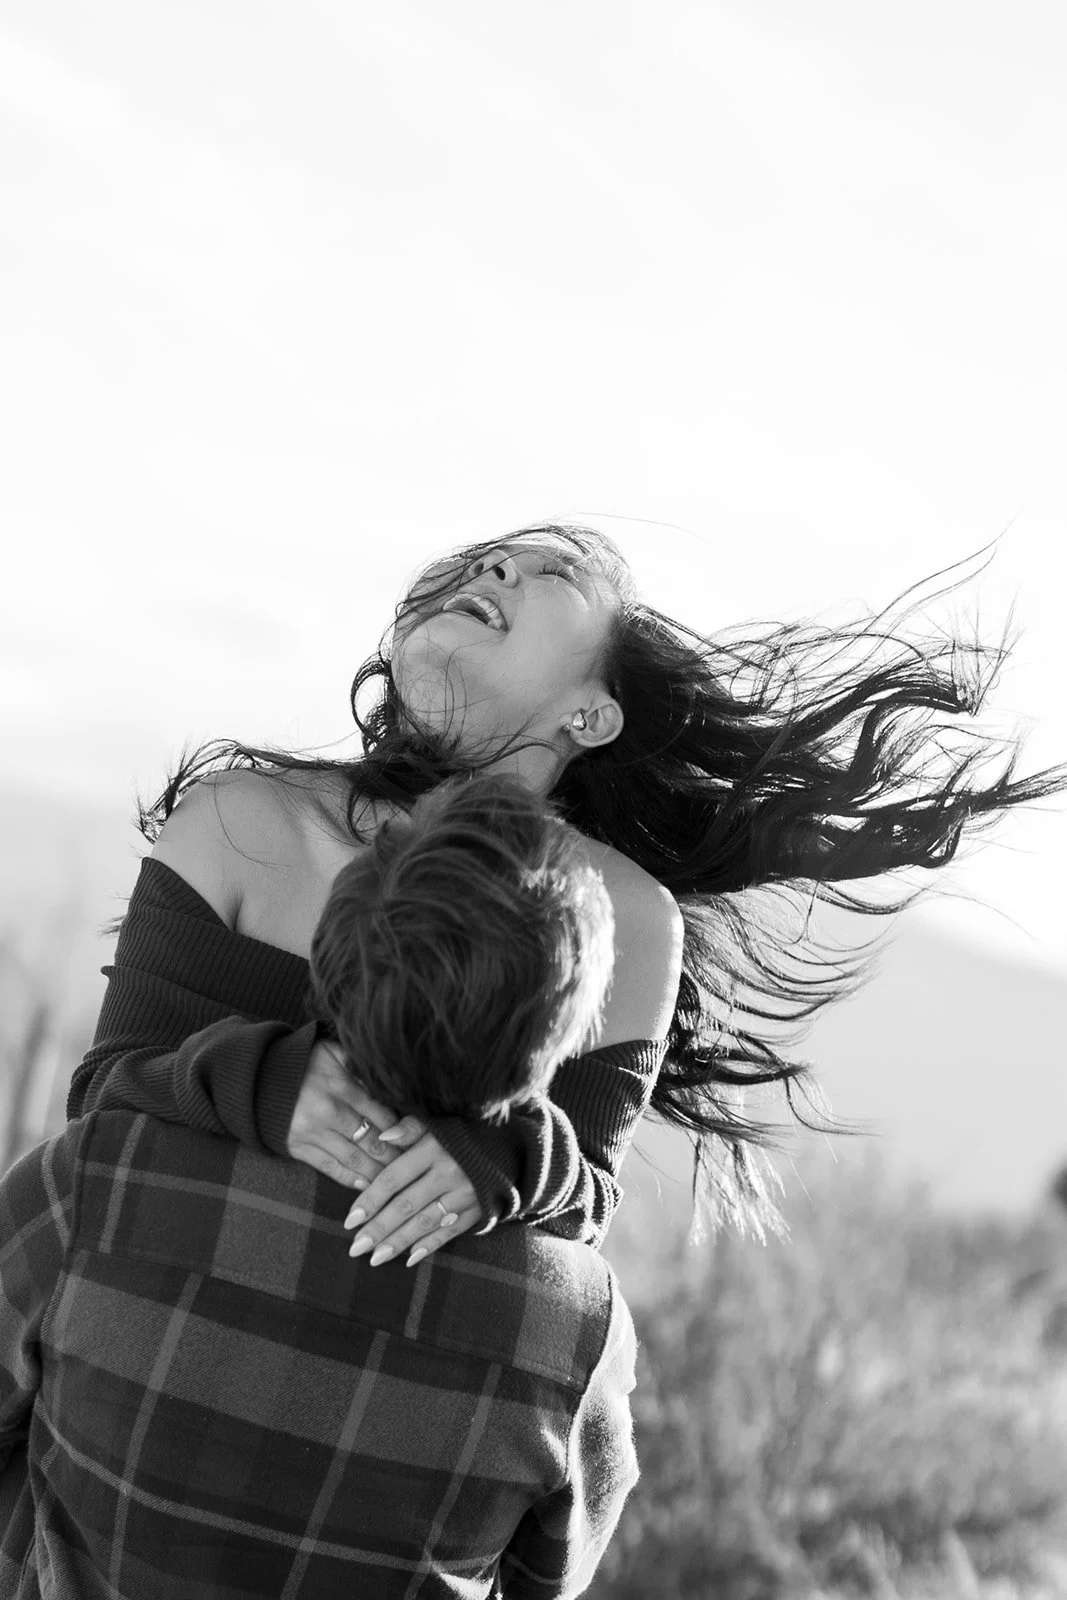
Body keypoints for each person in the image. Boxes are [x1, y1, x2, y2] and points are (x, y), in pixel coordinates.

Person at [69, 524, 1064, 1262]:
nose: (488, 567)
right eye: (479, 562)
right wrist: (259, 1081)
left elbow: (581, 1198)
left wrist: (500, 1159)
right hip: (154, 1350)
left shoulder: (627, 920)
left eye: (546, 574)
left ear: (590, 712)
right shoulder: (239, 822)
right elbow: (101, 1097)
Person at [0, 776, 638, 1598]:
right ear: (552, 1053)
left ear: (328, 963)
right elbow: (549, 1576)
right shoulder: (577, 1330)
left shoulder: (91, 1185)